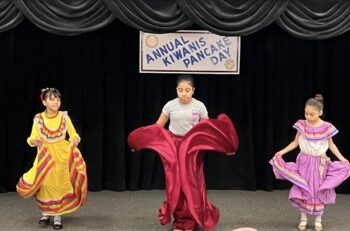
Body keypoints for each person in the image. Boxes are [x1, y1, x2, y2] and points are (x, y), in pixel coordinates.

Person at [128, 75, 239, 231]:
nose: (184, 93)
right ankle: (180, 221)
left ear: (193, 90)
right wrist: (139, 141)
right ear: (176, 90)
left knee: (192, 184)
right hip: (174, 147)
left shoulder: (199, 106)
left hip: (192, 149)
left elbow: (208, 130)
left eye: (187, 90)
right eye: (180, 90)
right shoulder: (170, 105)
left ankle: (193, 219)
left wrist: (226, 147)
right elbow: (157, 127)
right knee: (176, 184)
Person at [270, 94, 350, 231]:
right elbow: (295, 142)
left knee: (318, 190)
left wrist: (342, 158)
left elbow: (331, 145)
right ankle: (303, 219)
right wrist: (281, 152)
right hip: (304, 162)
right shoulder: (302, 125)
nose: (308, 117)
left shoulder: (326, 127)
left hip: (320, 163)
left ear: (320, 113)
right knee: (304, 188)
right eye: (306, 113)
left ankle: (318, 220)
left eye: (312, 114)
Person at [16, 88, 88, 230]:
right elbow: (31, 137)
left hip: (62, 156)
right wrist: (34, 141)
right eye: (52, 99)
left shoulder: (64, 117)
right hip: (45, 157)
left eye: (58, 99)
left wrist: (74, 140)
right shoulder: (38, 119)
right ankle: (45, 213)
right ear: (44, 102)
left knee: (59, 184)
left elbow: (73, 134)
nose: (56, 102)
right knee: (45, 184)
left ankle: (57, 216)